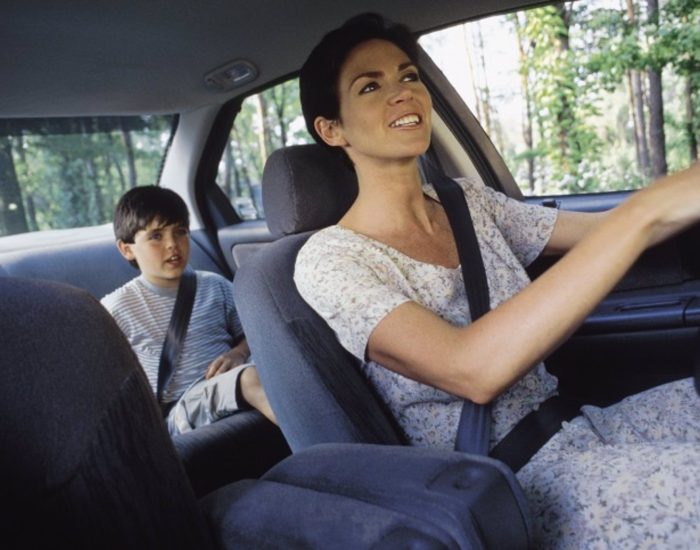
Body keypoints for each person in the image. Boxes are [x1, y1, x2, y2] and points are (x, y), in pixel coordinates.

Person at [293, 12, 700, 548]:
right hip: (510, 484)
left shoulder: (469, 202)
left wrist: (671, 201)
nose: (401, 93)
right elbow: (471, 368)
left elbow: (604, 236)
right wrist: (643, 210)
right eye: (370, 86)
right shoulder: (330, 260)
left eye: (408, 75)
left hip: (580, 427)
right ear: (332, 129)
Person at [101, 185, 275, 435]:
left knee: (278, 362)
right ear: (126, 248)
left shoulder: (215, 286)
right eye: (156, 236)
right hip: (177, 412)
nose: (173, 244)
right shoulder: (116, 309)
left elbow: (254, 335)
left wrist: (238, 352)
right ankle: (325, 446)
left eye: (180, 232)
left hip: (233, 381)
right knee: (251, 379)